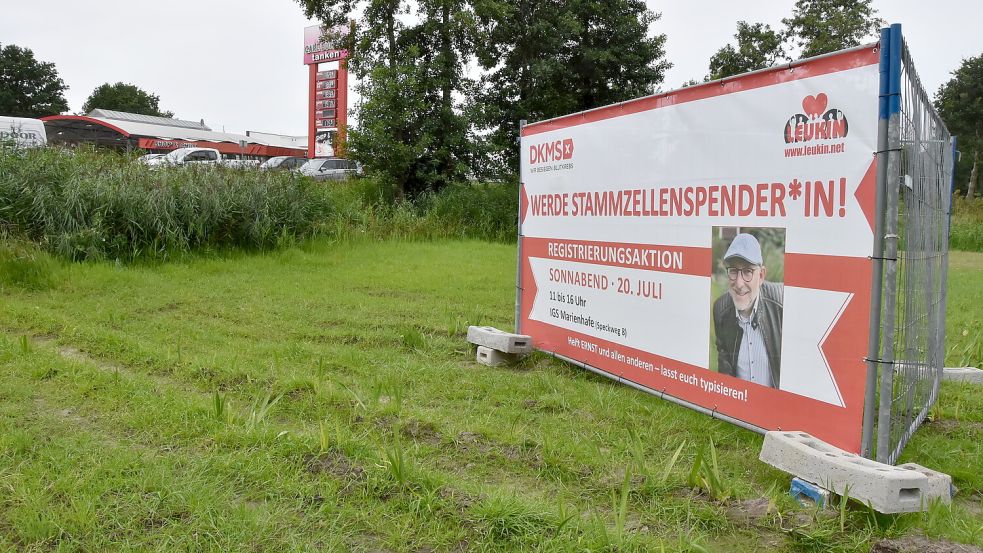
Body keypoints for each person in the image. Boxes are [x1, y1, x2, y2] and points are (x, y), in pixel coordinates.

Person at [712, 233, 783, 388]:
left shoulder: (781, 304)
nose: (739, 283)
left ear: (762, 275)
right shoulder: (720, 310)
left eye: (747, 272)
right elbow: (725, 372)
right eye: (733, 271)